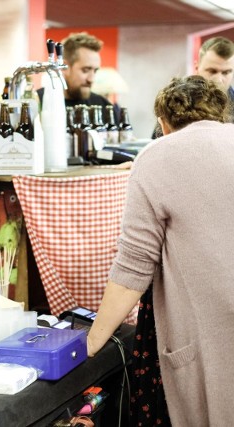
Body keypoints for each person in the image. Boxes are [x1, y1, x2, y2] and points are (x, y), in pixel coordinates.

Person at [86, 75, 234, 426]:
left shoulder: (156, 156)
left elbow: (134, 265)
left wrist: (91, 343)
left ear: (163, 123)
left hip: (207, 337)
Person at [38, 32, 117, 112]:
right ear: (64, 67)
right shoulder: (37, 102)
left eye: (95, 71)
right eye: (85, 70)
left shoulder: (103, 106)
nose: (91, 79)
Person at [196, 36, 234, 101]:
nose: (218, 80)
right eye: (212, 71)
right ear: (197, 68)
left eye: (226, 72)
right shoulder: (177, 102)